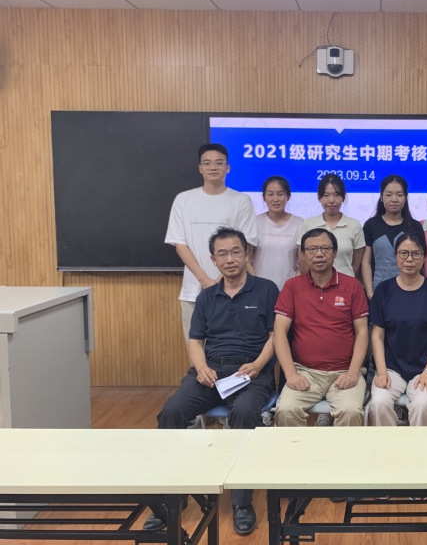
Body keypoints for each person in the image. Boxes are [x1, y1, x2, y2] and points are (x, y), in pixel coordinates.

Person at [150, 227, 279, 535]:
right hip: (210, 371)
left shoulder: (266, 289)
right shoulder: (207, 296)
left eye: (235, 252)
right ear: (213, 260)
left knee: (244, 412)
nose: (230, 259)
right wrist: (201, 367)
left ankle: (242, 502)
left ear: (246, 254)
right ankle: (171, 496)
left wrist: (258, 365)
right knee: (171, 412)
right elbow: (195, 340)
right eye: (222, 254)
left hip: (250, 373)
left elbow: (276, 336)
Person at [274, 228, 369, 427]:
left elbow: (362, 332)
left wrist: (353, 373)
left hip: (344, 371)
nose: (319, 254)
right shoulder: (292, 286)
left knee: (351, 411)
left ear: (335, 253)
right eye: (312, 249)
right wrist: (291, 375)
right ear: (302, 255)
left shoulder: (352, 286)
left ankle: (342, 450)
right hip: (305, 372)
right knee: (286, 410)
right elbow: (279, 333)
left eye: (325, 248)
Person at [165, 143, 257, 344]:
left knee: (231, 348)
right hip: (193, 290)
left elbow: (246, 245)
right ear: (200, 168)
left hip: (234, 290)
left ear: (228, 167)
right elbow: (179, 244)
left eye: (219, 163)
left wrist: (219, 280)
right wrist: (204, 279)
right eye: (207, 163)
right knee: (196, 350)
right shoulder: (184, 199)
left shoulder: (241, 200)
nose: (213, 167)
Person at [369, 232, 427, 426]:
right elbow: (377, 336)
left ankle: (418, 446)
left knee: (422, 405)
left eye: (416, 254)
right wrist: (381, 372)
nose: (409, 259)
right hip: (391, 368)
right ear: (396, 256)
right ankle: (390, 446)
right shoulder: (383, 290)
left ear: (424, 257)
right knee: (379, 403)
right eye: (403, 253)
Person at [362, 175, 425, 299]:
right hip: (378, 291)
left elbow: (421, 260)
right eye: (389, 195)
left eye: (399, 195)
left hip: (410, 290)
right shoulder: (371, 225)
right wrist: (370, 293)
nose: (394, 199)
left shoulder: (415, 226)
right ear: (381, 197)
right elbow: (366, 262)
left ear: (406, 197)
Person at [297, 173, 365, 278]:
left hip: (345, 284)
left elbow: (356, 264)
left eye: (336, 195)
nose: (331, 200)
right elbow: (302, 259)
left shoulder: (354, 225)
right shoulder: (308, 224)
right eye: (326, 195)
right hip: (314, 284)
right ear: (319, 198)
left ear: (343, 197)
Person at [252, 175, 303, 290]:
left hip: (289, 288)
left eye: (280, 194)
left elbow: (303, 261)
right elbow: (247, 259)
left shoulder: (299, 224)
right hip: (259, 287)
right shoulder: (255, 222)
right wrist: (255, 284)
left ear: (288, 196)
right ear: (264, 197)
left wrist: (293, 284)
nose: (275, 199)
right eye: (270, 194)